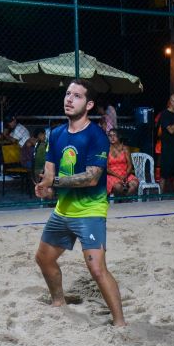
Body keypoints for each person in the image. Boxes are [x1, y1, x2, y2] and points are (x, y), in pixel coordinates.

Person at [34, 79, 126, 327]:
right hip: (63, 210)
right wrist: (45, 186)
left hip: (90, 210)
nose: (69, 99)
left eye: (77, 96)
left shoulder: (97, 136)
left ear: (89, 104)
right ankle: (58, 302)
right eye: (67, 94)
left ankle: (120, 323)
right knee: (44, 259)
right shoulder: (56, 134)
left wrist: (55, 183)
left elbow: (92, 177)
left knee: (97, 270)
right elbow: (51, 172)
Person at [106, 128, 139, 198]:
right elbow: (107, 168)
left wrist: (126, 175)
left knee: (135, 184)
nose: (112, 137)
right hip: (113, 175)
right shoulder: (106, 149)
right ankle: (125, 200)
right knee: (118, 187)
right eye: (110, 136)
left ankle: (124, 199)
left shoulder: (125, 148)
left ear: (118, 137)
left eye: (114, 135)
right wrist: (119, 176)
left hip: (125, 173)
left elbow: (130, 165)